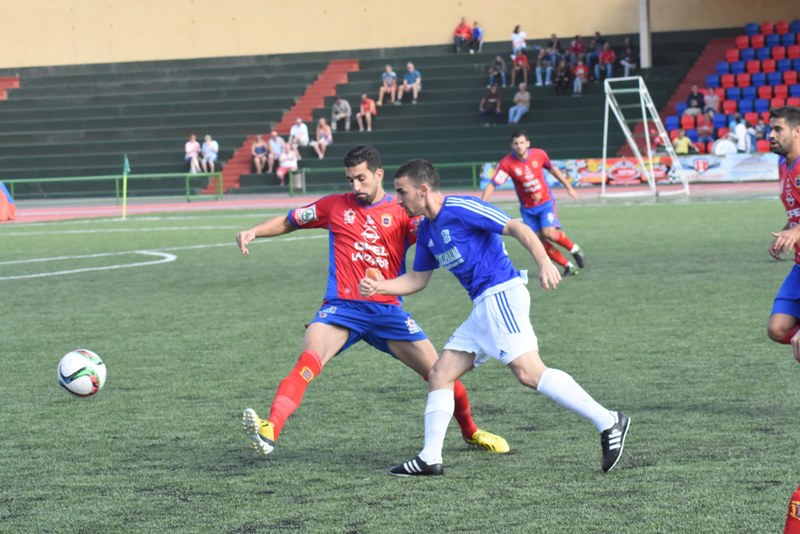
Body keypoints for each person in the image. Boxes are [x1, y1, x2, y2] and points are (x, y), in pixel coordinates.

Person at [359, 159, 630, 476]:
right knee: (440, 375)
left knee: (529, 372)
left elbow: (516, 227)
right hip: (483, 307)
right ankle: (430, 458)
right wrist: (379, 286)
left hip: (501, 294)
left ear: (422, 190)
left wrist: (544, 261)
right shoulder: (427, 231)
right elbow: (418, 279)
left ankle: (608, 420)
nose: (398, 200)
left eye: (402, 192)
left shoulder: (461, 208)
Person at [236, 145, 509, 458]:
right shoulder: (333, 206)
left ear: (379, 174)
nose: (355, 186)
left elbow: (436, 230)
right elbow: (290, 221)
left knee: (441, 373)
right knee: (308, 360)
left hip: (387, 310)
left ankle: (471, 432)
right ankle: (270, 428)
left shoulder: (403, 212)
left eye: (361, 178)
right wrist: (254, 231)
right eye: (350, 180)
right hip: (342, 308)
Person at [482, 130, 585, 276]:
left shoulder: (539, 154)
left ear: (528, 143)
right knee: (537, 241)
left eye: (522, 142)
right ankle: (568, 266)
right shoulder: (507, 164)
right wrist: (482, 205)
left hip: (545, 203)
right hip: (527, 209)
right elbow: (493, 184)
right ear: (512, 145)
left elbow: (553, 170)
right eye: (516, 143)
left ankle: (574, 248)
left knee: (548, 233)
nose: (519, 146)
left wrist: (568, 187)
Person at [765, 106, 800, 361]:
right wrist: (788, 230)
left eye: (778, 129)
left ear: (797, 131)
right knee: (777, 329)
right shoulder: (783, 166)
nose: (771, 135)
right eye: (770, 129)